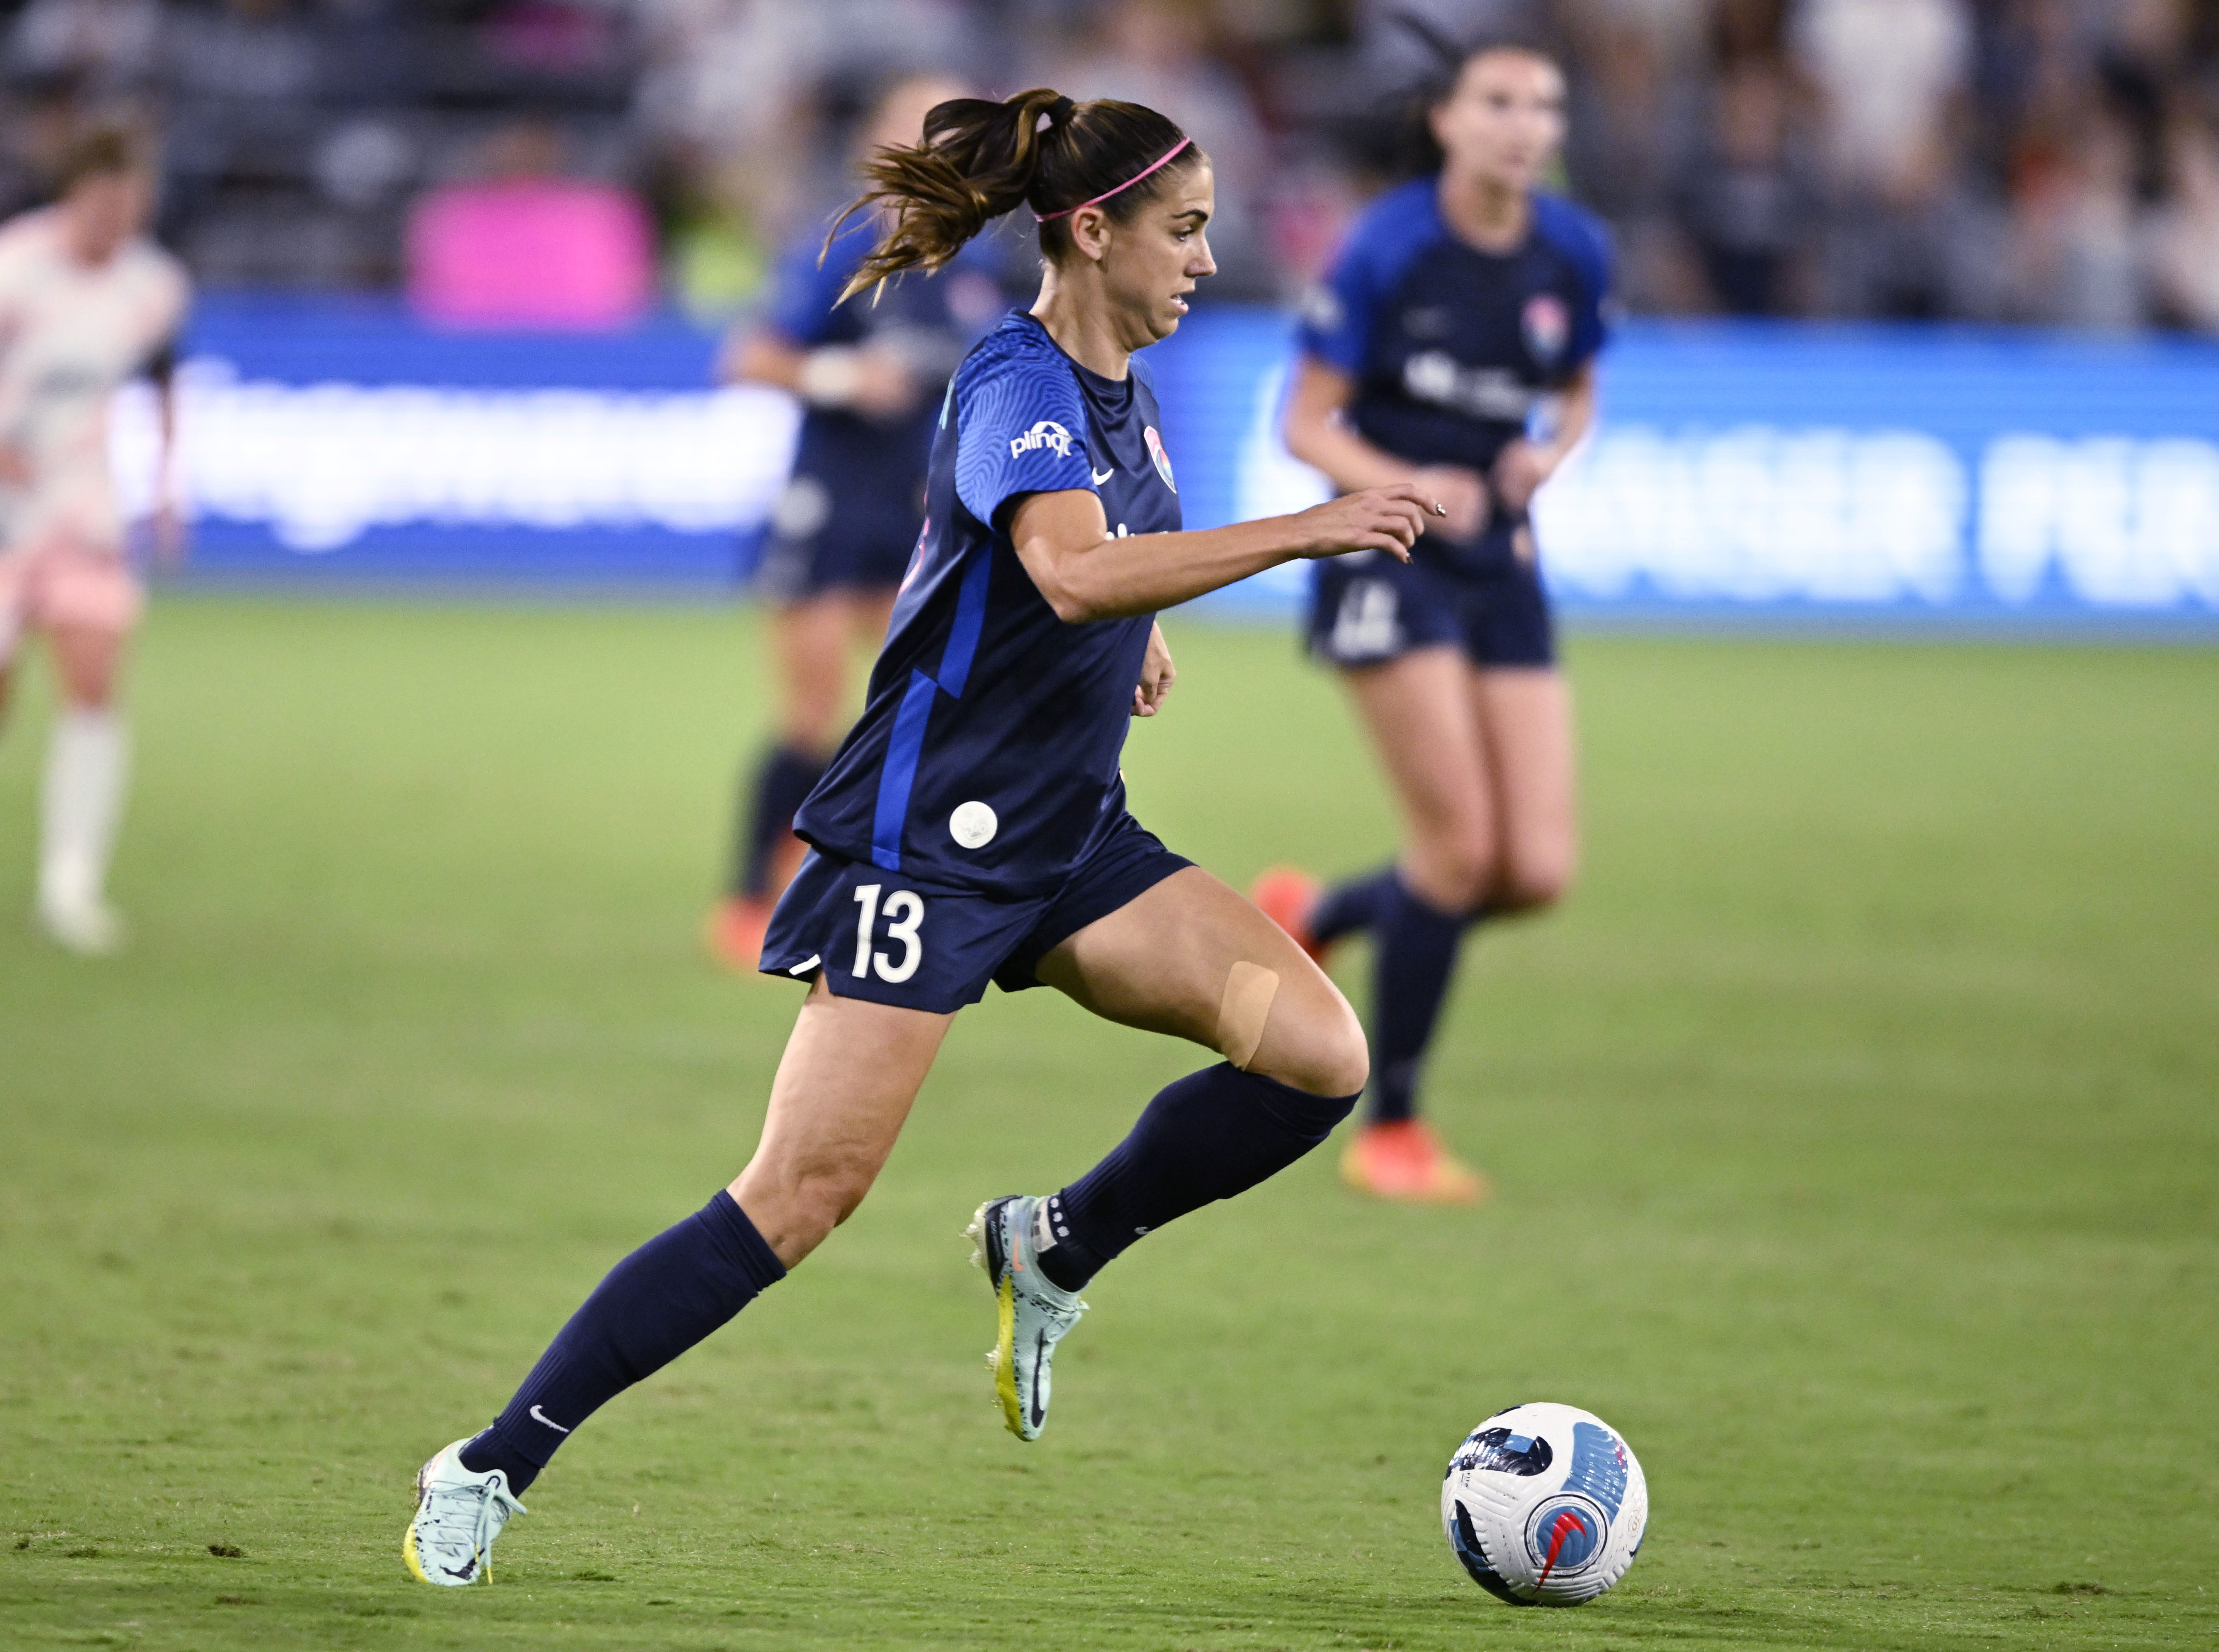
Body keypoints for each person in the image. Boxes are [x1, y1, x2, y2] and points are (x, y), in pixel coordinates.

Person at [403, 87, 1441, 1588]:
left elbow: (1045, 583)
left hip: (1073, 845)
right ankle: (495, 1459)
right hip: (925, 855)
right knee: (798, 1197)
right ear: (1092, 232)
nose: (1209, 261)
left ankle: (1052, 1246)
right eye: (1186, 230)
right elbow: (1073, 572)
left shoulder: (1127, 396)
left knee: (1318, 1057)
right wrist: (1304, 526)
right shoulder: (1016, 377)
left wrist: (1127, 645)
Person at [1254, 38, 1607, 1205]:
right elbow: (1304, 420)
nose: (1523, 124)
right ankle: (1389, 1125)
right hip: (1388, 553)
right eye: (1499, 102)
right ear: (1448, 121)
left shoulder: (1574, 250)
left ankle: (1324, 911)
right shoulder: (1390, 247)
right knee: (1457, 852)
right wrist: (1407, 486)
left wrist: (1545, 458)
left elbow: (1578, 392)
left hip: (1499, 559)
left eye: (1542, 104)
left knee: (1535, 868)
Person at [706, 74, 1018, 968]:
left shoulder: (973, 271)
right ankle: (743, 895)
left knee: (914, 708)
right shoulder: (843, 249)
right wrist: (839, 379)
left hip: (917, 513)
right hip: (830, 502)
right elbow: (749, 358)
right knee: (810, 708)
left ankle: (863, 879)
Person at [0, 122, 187, 956]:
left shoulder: (152, 284)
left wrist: (166, 487)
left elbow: (162, 376)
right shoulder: (13, 267)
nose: (120, 221)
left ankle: (71, 884)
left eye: (133, 205)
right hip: (4, 511)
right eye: (107, 203)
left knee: (93, 682)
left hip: (81, 510)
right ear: (74, 196)